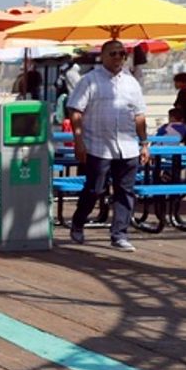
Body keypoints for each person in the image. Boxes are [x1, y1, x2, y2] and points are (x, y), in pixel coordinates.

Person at [67, 39, 148, 252]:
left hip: (128, 145)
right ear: (102, 56)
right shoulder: (89, 81)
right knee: (95, 188)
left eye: (122, 54)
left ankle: (119, 234)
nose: (118, 57)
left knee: (125, 191)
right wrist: (78, 141)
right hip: (98, 145)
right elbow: (76, 111)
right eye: (113, 53)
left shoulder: (132, 83)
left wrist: (144, 143)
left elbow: (139, 115)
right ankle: (78, 221)